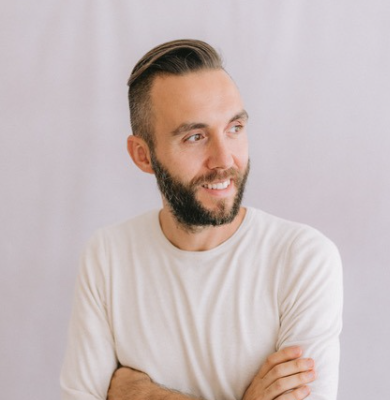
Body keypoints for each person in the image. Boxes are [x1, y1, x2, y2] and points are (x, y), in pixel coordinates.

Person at [60, 39, 343, 400]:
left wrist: (144, 395)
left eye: (234, 128)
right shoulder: (108, 255)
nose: (223, 159)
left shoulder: (302, 258)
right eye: (195, 137)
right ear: (143, 155)